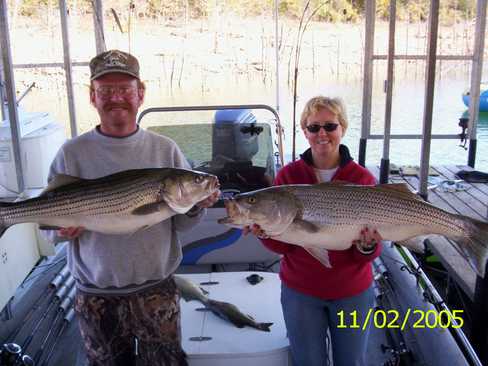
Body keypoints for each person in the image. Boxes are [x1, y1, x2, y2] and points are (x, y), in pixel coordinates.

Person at [47, 49, 219, 366]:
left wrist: (196, 205)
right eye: (106, 90)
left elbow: (180, 224)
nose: (116, 98)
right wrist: (60, 232)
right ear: (92, 96)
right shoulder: (71, 154)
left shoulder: (165, 150)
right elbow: (51, 233)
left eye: (124, 89)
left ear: (140, 94)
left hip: (156, 290)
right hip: (96, 294)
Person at [246, 96, 382, 366]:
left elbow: (370, 252)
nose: (322, 134)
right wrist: (265, 233)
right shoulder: (287, 178)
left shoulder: (362, 179)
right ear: (304, 131)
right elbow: (285, 246)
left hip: (352, 292)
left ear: (342, 128)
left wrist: (368, 246)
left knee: (351, 362)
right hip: (301, 293)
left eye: (330, 126)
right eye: (314, 127)